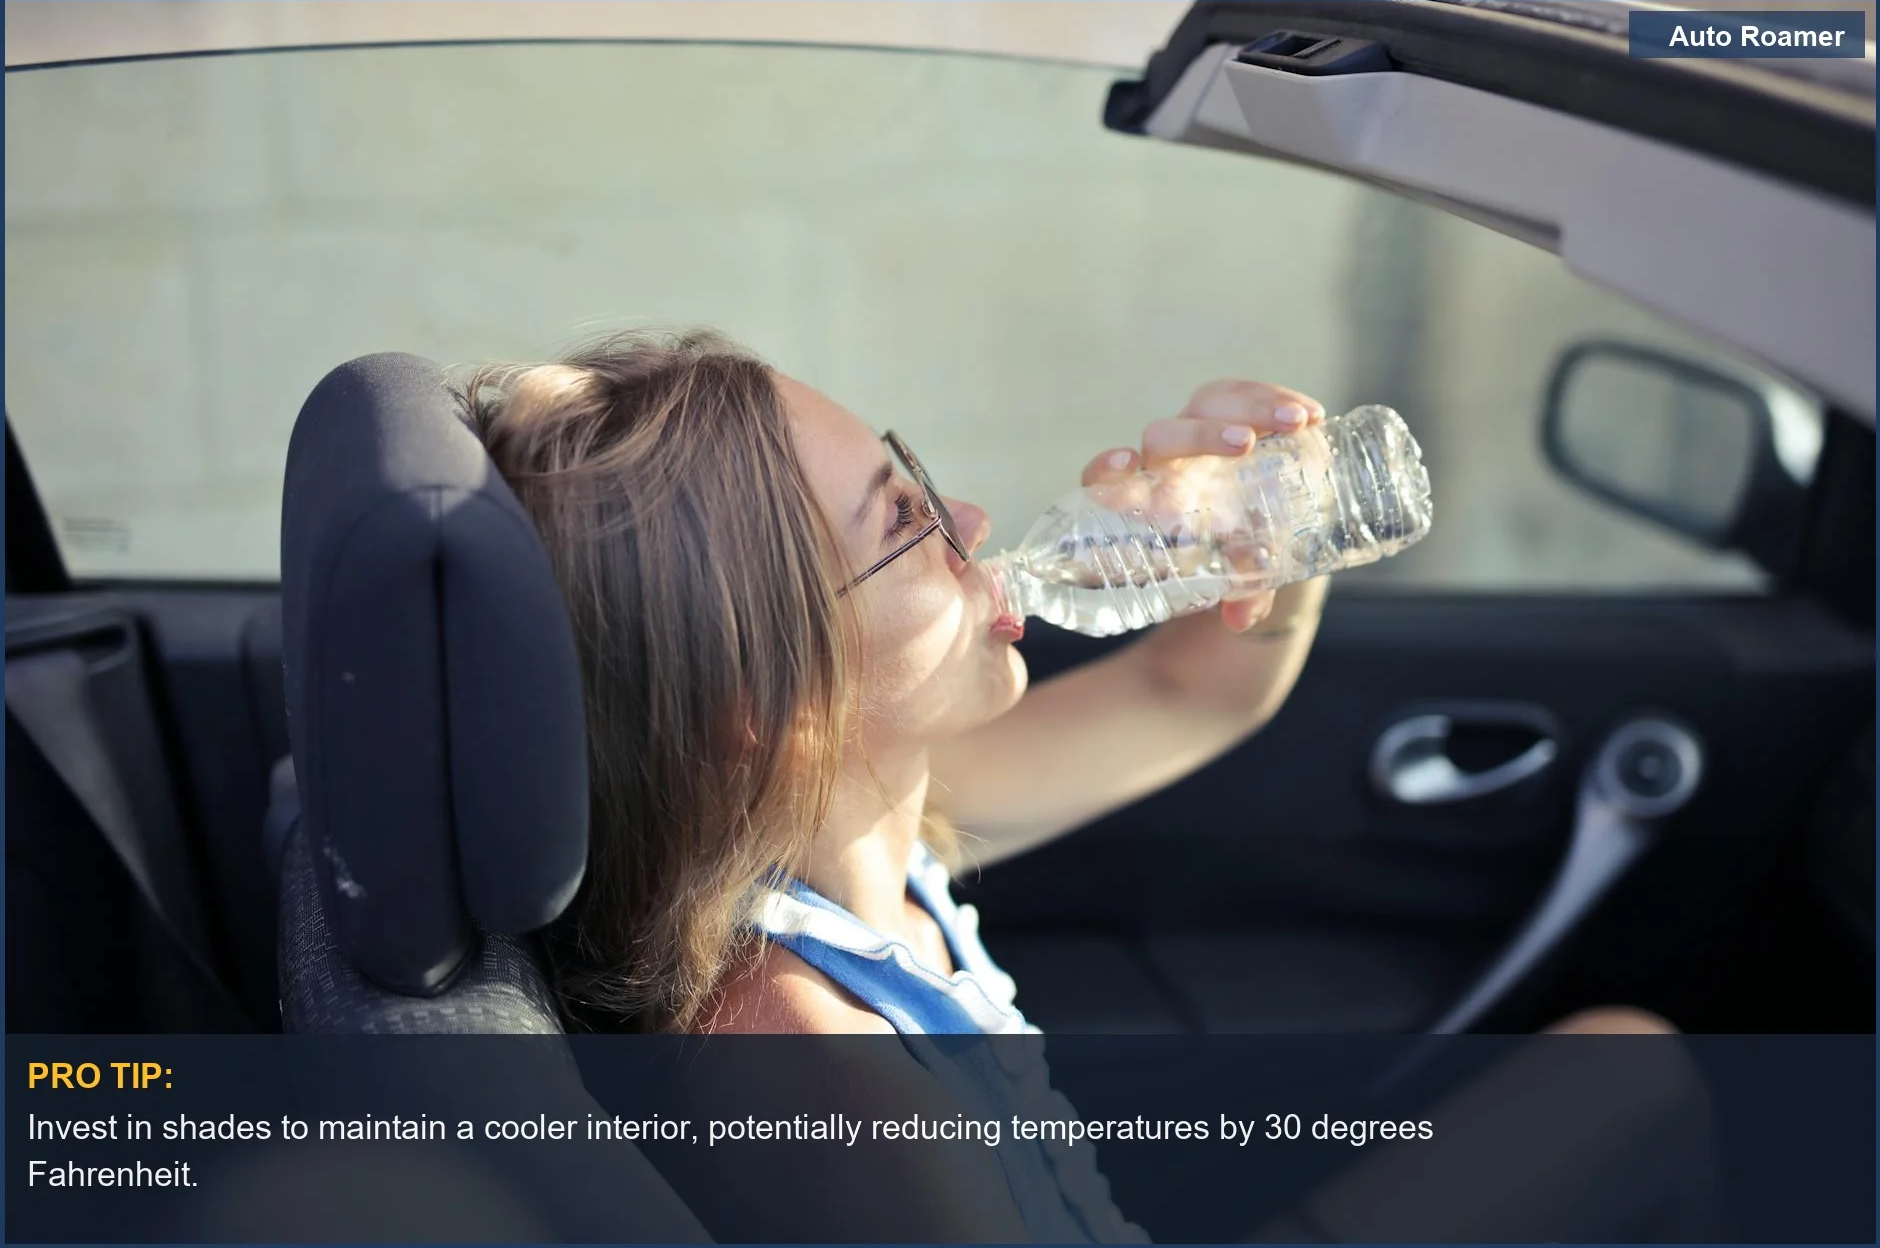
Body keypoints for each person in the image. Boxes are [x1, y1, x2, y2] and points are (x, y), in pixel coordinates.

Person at [458, 329, 1719, 1242]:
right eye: (903, 521)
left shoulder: (856, 829)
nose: (970, 512)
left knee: (1626, 1069)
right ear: (763, 701)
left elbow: (1195, 694)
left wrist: (1275, 534)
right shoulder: (811, 1057)